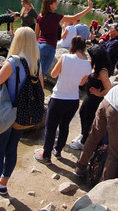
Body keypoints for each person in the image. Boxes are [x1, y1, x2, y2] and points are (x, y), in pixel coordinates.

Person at [0, 27, 44, 205]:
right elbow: (41, 89)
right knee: (12, 150)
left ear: (17, 41)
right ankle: (2, 185)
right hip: (23, 115)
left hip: (5, 114)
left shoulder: (14, 62)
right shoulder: (36, 62)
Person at [34, 36, 91, 164]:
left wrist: (64, 73)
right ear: (83, 48)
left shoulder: (64, 57)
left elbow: (53, 74)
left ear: (72, 46)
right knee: (64, 126)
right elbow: (82, 83)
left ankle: (46, 156)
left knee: (50, 128)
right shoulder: (88, 65)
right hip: (73, 100)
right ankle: (58, 150)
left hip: (58, 98)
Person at [36, 0, 93, 77]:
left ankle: (30, 88)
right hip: (49, 47)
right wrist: (88, 9)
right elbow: (75, 18)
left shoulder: (40, 16)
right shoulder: (55, 17)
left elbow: (36, 35)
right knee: (41, 75)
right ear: (50, 5)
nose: (57, 3)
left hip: (39, 46)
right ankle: (37, 89)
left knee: (35, 72)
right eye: (55, 2)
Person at [69, 44, 113, 150]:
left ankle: (84, 142)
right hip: (89, 96)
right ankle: (83, 134)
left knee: (89, 119)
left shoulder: (102, 71)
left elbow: (109, 88)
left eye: (90, 56)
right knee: (82, 113)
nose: (89, 57)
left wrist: (99, 93)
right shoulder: (94, 65)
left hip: (95, 99)